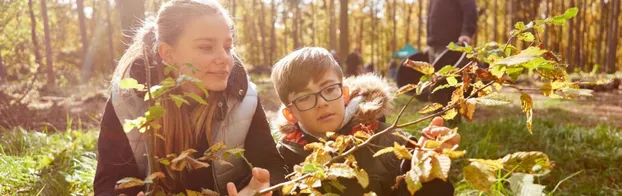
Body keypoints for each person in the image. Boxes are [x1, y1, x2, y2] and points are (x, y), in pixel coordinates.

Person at [94, 0, 285, 195]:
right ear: (168, 54)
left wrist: (259, 188)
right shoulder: (127, 101)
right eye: (205, 47)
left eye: (228, 47)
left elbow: (270, 165)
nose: (225, 58)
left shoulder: (244, 97)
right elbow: (109, 181)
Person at [270, 47, 459, 195]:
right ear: (290, 114)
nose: (322, 103)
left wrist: (427, 173)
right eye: (305, 98)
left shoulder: (394, 144)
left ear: (344, 94)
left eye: (329, 89)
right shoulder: (280, 162)